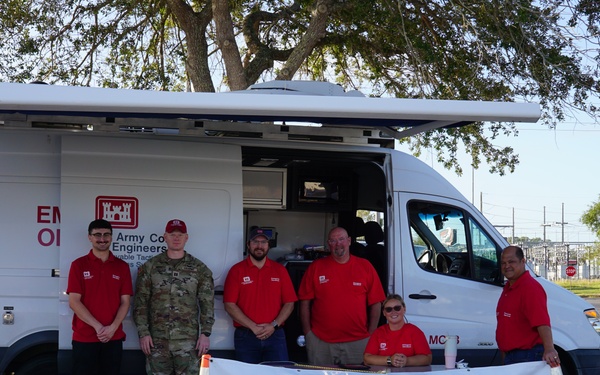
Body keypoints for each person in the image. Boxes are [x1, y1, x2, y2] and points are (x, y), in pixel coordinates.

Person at [133, 219, 215, 375]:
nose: (176, 238)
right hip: (156, 341)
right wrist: (143, 333)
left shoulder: (199, 269)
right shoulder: (150, 267)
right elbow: (140, 302)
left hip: (188, 342)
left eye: (180, 234)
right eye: (172, 234)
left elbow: (207, 304)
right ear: (165, 237)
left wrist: (205, 334)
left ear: (186, 237)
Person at [298, 226, 386, 365]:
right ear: (328, 244)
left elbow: (376, 303)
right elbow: (304, 302)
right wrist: (308, 334)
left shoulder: (365, 267)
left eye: (341, 239)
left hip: (358, 342)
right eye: (333, 240)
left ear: (349, 241)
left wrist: (370, 334)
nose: (338, 244)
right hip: (321, 342)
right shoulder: (316, 267)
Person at [67, 219, 133, 375]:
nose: (102, 239)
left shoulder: (122, 266)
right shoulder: (78, 265)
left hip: (113, 337)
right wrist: (99, 327)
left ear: (111, 237)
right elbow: (74, 302)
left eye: (106, 235)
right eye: (97, 235)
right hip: (85, 338)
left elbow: (125, 303)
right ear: (89, 237)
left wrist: (112, 328)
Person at [223, 227, 298, 363]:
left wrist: (273, 325)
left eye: (263, 242)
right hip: (246, 336)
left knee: (279, 373)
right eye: (255, 242)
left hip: (275, 335)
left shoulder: (280, 270)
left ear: (269, 246)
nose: (259, 246)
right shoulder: (236, 271)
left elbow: (290, 303)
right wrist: (253, 327)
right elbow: (229, 305)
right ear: (248, 245)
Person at [496, 245, 560, 367]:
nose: (507, 266)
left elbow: (542, 322)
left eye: (511, 262)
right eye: (503, 263)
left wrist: (549, 349)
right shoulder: (508, 288)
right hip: (512, 357)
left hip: (527, 357)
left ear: (523, 261)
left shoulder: (530, 288)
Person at [363, 294, 432, 368]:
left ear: (404, 309)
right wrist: (389, 360)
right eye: (389, 309)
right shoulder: (378, 333)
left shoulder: (415, 331)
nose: (393, 312)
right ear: (384, 313)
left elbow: (427, 358)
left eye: (397, 308)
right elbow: (367, 358)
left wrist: (407, 361)